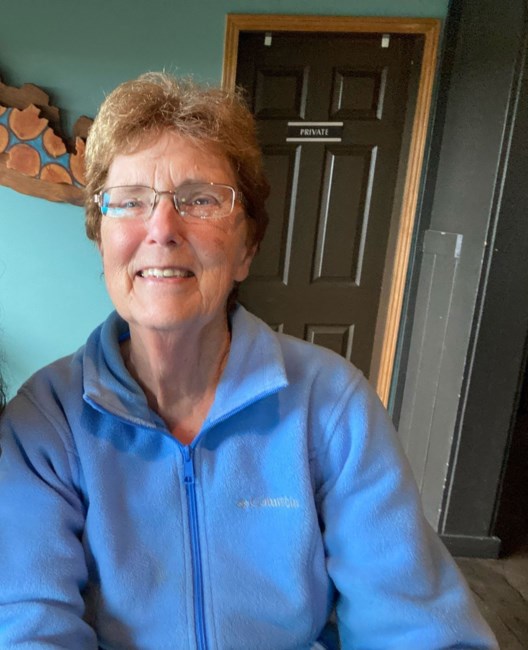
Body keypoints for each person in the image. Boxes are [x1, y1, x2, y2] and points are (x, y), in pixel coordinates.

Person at [0, 72, 498, 650]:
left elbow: (414, 622)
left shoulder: (330, 404)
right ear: (101, 240)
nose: (162, 229)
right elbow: (28, 623)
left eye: (201, 200)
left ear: (247, 248)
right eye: (130, 201)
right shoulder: (46, 421)